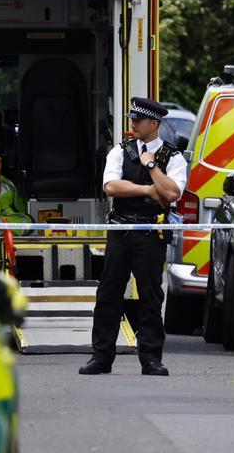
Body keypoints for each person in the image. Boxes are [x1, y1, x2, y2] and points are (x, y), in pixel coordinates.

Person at [80, 97, 187, 376]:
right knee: (108, 294)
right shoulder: (120, 151)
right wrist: (149, 191)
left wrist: (151, 167)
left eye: (138, 120)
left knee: (151, 296)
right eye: (132, 119)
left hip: (151, 232)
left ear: (154, 123)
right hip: (121, 230)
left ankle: (151, 358)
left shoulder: (172, 157)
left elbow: (173, 193)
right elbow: (111, 186)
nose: (133, 124)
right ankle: (101, 356)